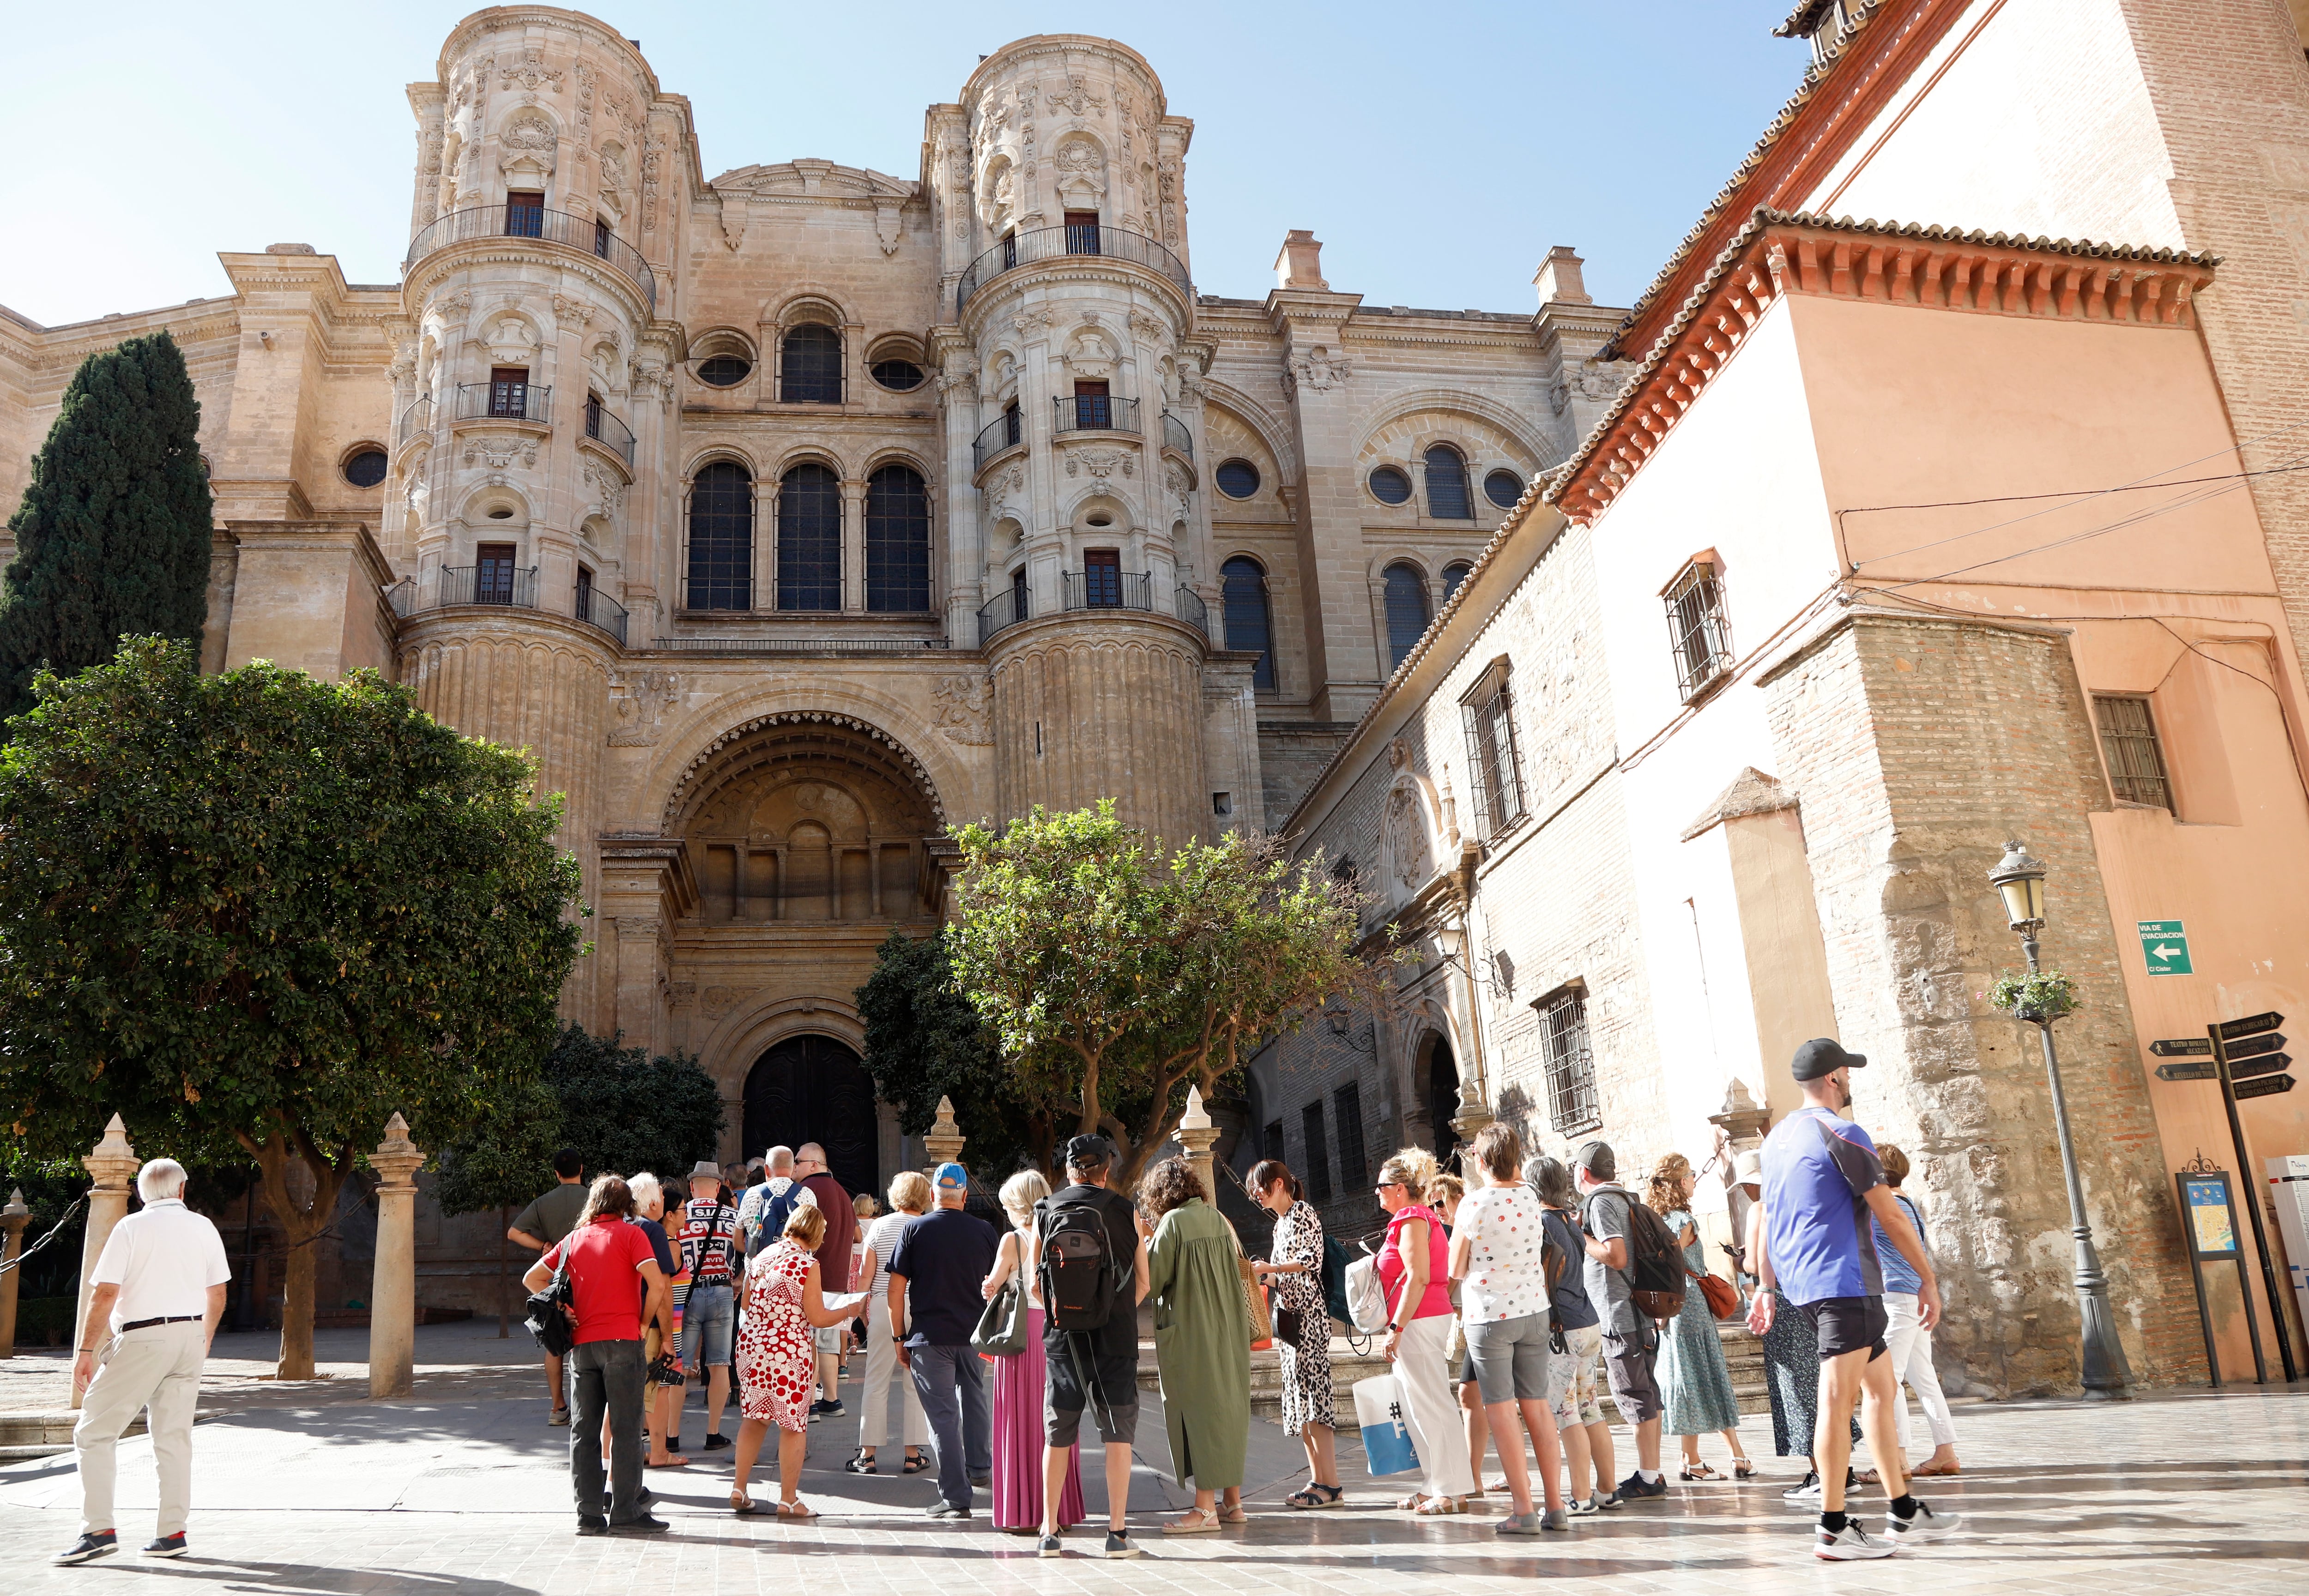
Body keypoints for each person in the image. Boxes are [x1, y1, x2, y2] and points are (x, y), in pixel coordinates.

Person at [1749, 1037, 1959, 1560]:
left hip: (1809, 1283)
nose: (1850, 1084)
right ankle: (1831, 1526)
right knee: (1836, 1401)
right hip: (1843, 1282)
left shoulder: (1775, 1139)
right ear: (1834, 1079)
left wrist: (1764, 1286)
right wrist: (1926, 1278)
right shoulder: (1842, 1131)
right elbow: (1888, 1213)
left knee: (1882, 1391)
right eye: (1847, 1075)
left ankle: (1903, 1509)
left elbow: (1768, 1219)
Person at [54, 1158, 232, 1566]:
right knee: (174, 1438)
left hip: (142, 1336)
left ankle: (98, 1530)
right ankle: (172, 1534)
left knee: (94, 1432)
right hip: (189, 1335)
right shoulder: (204, 1226)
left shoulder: (131, 1227)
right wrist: (202, 1338)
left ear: (139, 1192)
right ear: (183, 1189)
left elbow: (105, 1293)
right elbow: (218, 1293)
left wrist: (85, 1352)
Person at [524, 1175, 671, 1536]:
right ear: (627, 1206)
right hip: (623, 1340)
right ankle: (625, 1511)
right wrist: (643, 1321)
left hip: (582, 1345)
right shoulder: (632, 1234)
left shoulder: (574, 1239)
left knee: (584, 1431)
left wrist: (564, 1308)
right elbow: (659, 1283)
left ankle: (588, 1514)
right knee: (625, 1429)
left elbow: (532, 1278)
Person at [1034, 1134, 1150, 1560]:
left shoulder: (1044, 1210)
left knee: (1058, 1433)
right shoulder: (1126, 1211)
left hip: (1063, 1339)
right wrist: (1111, 1309)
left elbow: (1034, 1282)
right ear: (1107, 1168)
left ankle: (1049, 1531)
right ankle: (1117, 1533)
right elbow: (1144, 1281)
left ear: (1069, 1169)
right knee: (1118, 1434)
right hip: (1115, 1337)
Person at [1449, 1124, 1566, 1535]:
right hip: (1535, 1309)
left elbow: (1454, 1267)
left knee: (1501, 1411)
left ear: (1480, 1161)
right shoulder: (1532, 1197)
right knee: (1537, 1406)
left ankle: (1523, 1508)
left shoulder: (1473, 1203)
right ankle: (1556, 1505)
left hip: (1490, 1315)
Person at [731, 1203, 867, 1517]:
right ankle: (789, 1499)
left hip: (753, 1346)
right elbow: (818, 1317)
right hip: (789, 1352)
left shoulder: (762, 1257)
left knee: (754, 1419)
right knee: (793, 1423)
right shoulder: (807, 1264)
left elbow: (748, 1303)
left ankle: (739, 1488)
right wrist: (849, 1310)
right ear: (818, 1234)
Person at [1141, 1157, 1250, 1534]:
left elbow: (1152, 1281)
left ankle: (1205, 1509)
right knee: (1226, 1407)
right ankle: (1233, 1501)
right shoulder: (1219, 1218)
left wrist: (1144, 1243)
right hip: (1228, 1329)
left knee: (1201, 1412)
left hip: (1193, 1332)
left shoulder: (1172, 1223)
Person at [890, 1162, 1000, 1518]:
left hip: (930, 1336)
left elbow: (896, 1291)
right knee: (975, 1399)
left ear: (933, 1195)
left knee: (943, 1416)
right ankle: (980, 1468)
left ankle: (955, 1496)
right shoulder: (985, 1231)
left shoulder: (914, 1229)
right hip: (973, 1333)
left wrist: (898, 1336)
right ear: (965, 1195)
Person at [982, 1169, 1086, 1533]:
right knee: (1057, 1424)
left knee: (1019, 1420)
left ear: (1016, 1205)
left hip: (1021, 1340)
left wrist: (990, 1285)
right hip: (1058, 1335)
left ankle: (1024, 1512)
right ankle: (1058, 1512)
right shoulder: (1060, 1235)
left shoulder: (1012, 1240)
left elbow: (992, 1286)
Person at [1374, 1146, 1475, 1514]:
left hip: (1418, 1320)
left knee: (1432, 1404)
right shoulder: (1416, 1218)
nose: (1378, 1192)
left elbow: (1417, 1277)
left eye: (1382, 1185)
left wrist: (1397, 1327)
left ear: (1400, 1188)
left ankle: (1451, 1489)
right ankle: (1437, 1483)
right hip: (1419, 1317)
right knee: (1421, 1406)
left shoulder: (1413, 1219)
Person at [1644, 1153, 1753, 1481]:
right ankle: (1699, 1458)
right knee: (1701, 1374)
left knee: (1694, 1375)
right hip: (1688, 1303)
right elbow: (1671, 1262)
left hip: (1677, 1305)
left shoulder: (1661, 1218)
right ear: (1679, 1183)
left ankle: (1727, 1455)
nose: (1694, 1179)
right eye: (1690, 1175)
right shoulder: (1682, 1220)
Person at [1573, 1140, 1666, 1502]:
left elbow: (1615, 1255)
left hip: (1618, 1312)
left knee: (1633, 1394)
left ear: (1583, 1172)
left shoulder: (1600, 1202)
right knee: (1648, 1394)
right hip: (1640, 1310)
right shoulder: (1629, 1198)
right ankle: (1652, 1471)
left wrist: (1581, 1238)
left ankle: (1647, 1476)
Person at [1248, 1160, 1342, 1509]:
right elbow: (1283, 1277)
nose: (1256, 1194)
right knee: (1300, 1401)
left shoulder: (1303, 1212)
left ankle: (1330, 1483)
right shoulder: (1280, 1225)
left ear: (1277, 1184)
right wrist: (1262, 1275)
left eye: (1259, 1187)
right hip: (1289, 1320)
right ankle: (1318, 1479)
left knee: (1315, 1398)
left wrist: (1271, 1267)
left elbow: (1309, 1261)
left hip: (1309, 1320)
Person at [1528, 1155, 1616, 1514]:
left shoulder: (1543, 1223)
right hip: (1588, 1321)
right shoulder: (1569, 1219)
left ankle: (1580, 1495)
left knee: (1567, 1413)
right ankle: (1608, 1489)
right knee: (1590, 1407)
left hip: (1563, 1328)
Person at [1873, 1144, 1960, 1476]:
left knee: (1887, 1379)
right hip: (1914, 1296)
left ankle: (1897, 1459)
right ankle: (1945, 1451)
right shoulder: (1908, 1203)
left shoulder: (1882, 1206)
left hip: (1897, 1295)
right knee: (1923, 1377)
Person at [850, 1171, 931, 1476]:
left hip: (884, 1301)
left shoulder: (880, 1226)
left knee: (876, 1379)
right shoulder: (926, 1226)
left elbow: (866, 1274)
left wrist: (861, 1310)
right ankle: (913, 1454)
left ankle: (867, 1454)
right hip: (920, 1303)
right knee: (915, 1381)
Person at [507, 1148, 588, 1425]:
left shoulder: (543, 1202)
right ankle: (589, 1408)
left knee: (554, 1345)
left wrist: (542, 1247)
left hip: (555, 1283)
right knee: (588, 1345)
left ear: (556, 1173)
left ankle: (558, 1407)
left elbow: (514, 1232)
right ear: (582, 1169)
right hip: (589, 1280)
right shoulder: (594, 1199)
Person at [781, 1143, 857, 1421]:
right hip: (837, 1276)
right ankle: (832, 1400)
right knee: (828, 1342)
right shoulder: (842, 1193)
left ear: (814, 1165)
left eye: (798, 1162)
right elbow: (857, 1236)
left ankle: (810, 1402)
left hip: (812, 1274)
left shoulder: (807, 1192)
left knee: (809, 1340)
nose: (794, 1168)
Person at [673, 1160, 741, 1451]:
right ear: (717, 1187)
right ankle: (713, 1433)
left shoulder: (679, 1216)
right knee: (719, 1365)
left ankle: (671, 1436)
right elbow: (746, 1254)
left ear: (691, 1186)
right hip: (722, 1292)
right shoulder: (732, 1216)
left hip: (686, 1294)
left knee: (679, 1367)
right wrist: (738, 1280)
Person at [625, 1173, 687, 1470]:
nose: (664, 1201)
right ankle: (660, 1452)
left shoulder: (620, 1226)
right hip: (646, 1325)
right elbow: (662, 1288)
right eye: (662, 1197)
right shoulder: (652, 1231)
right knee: (659, 1388)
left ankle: (611, 1457)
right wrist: (667, 1337)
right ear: (651, 1202)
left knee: (620, 1394)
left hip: (619, 1323)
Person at [738, 1147, 793, 1258]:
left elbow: (737, 1241)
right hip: (794, 1269)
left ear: (766, 1170)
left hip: (758, 1270)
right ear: (794, 1168)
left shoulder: (752, 1194)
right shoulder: (807, 1194)